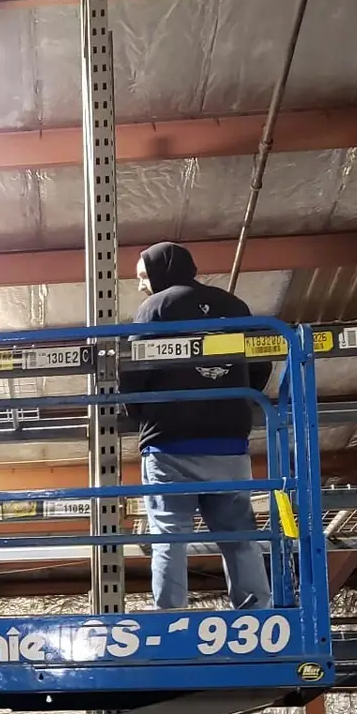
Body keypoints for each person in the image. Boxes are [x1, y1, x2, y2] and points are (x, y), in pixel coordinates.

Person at [123, 242, 271, 611]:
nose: (141, 285)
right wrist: (235, 399)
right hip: (228, 441)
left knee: (170, 535)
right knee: (239, 534)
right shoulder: (234, 306)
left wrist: (143, 415)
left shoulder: (154, 308)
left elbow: (134, 370)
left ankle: (171, 615)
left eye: (143, 277)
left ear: (159, 272)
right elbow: (260, 365)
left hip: (170, 441)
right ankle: (256, 611)